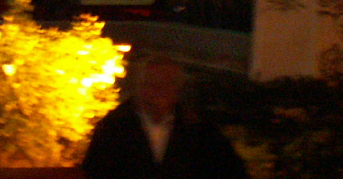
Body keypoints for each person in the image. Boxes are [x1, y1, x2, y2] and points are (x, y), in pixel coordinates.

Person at [81, 53, 248, 179]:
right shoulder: (113, 129)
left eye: (168, 83)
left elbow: (231, 171)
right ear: (137, 87)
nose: (160, 90)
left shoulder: (200, 131)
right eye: (152, 83)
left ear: (178, 88)